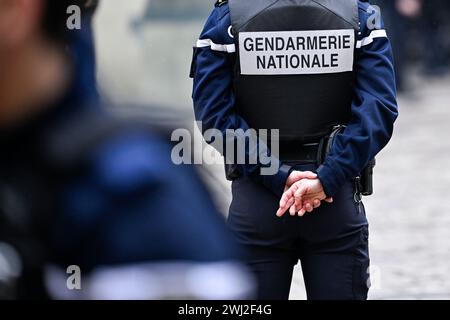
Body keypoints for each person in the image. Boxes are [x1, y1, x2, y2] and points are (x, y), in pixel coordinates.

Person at [0, 0, 250, 299]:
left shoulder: (130, 196)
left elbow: (214, 115)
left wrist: (280, 176)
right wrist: (305, 178)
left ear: (17, 11)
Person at [191, 0, 398, 300]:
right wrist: (326, 179)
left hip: (258, 204)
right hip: (334, 201)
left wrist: (277, 175)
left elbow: (214, 118)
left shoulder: (227, 18)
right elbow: (378, 111)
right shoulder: (360, 16)